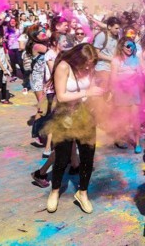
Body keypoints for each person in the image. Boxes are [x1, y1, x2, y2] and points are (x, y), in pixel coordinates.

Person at [44, 44, 104, 214]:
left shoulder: (90, 69)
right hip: (64, 117)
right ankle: (54, 191)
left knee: (87, 157)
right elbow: (61, 96)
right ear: (78, 57)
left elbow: (90, 93)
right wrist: (88, 92)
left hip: (85, 116)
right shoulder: (63, 67)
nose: (88, 67)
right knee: (62, 158)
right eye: (86, 63)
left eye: (92, 64)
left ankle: (83, 193)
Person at [111, 38, 144, 153]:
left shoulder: (136, 59)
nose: (130, 49)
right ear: (121, 47)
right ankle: (119, 138)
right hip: (121, 92)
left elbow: (140, 75)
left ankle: (137, 143)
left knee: (136, 119)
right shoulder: (116, 61)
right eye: (127, 46)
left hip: (134, 91)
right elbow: (113, 78)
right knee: (123, 119)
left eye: (132, 46)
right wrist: (127, 79)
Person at [93, 16, 121, 89]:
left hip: (112, 67)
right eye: (116, 28)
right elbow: (96, 53)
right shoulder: (102, 36)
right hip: (101, 66)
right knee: (103, 89)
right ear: (109, 27)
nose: (118, 30)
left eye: (119, 28)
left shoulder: (116, 36)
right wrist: (111, 59)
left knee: (112, 89)